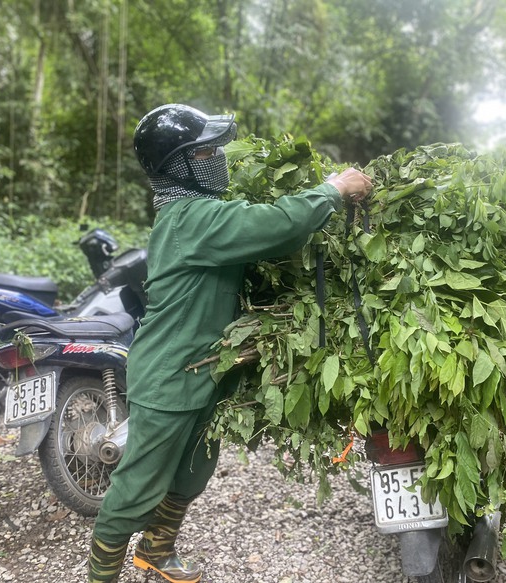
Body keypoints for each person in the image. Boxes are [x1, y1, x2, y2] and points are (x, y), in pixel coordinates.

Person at [86, 103, 372, 582]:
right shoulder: (190, 219)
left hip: (206, 370)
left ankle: (156, 550)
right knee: (136, 488)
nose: (218, 156)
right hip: (169, 377)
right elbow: (276, 225)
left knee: (193, 469)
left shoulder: (200, 214)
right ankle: (101, 575)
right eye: (207, 151)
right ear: (182, 165)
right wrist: (333, 189)